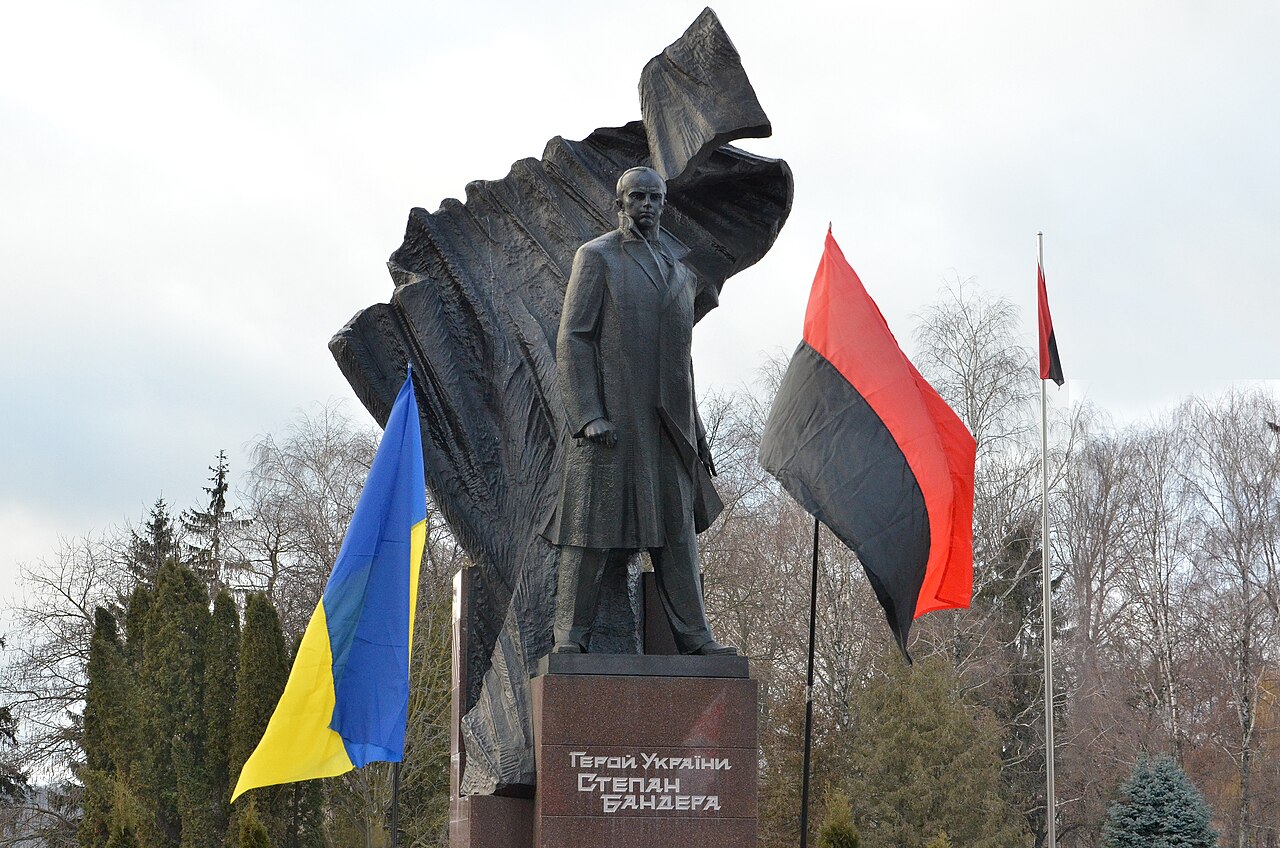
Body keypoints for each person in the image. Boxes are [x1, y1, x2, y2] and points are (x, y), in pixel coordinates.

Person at [545, 166, 737, 656]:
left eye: (655, 197)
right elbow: (573, 337)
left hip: (668, 428)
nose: (647, 205)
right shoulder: (597, 257)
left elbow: (682, 361)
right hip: (612, 421)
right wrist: (587, 414)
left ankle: (695, 639)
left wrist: (697, 432)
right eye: (637, 197)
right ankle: (569, 638)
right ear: (621, 203)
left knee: (677, 539)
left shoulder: (679, 267)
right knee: (590, 533)